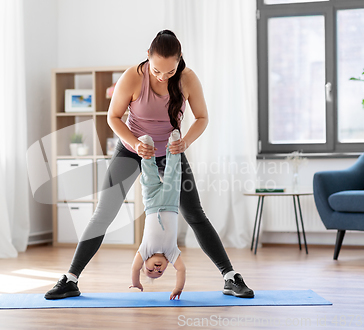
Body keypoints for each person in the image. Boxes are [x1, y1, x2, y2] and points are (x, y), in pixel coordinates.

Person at [45, 29, 254, 300]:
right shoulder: (133, 76)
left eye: (170, 71)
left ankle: (230, 277)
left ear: (179, 60)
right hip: (133, 149)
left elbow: (202, 117)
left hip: (171, 152)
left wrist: (185, 143)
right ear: (147, 57)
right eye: (157, 70)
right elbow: (113, 117)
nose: (162, 76)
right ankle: (70, 279)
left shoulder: (188, 79)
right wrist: (135, 143)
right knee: (104, 214)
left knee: (195, 214)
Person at [129, 131, 185, 300]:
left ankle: (147, 146)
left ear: (145, 262)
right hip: (170, 201)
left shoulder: (145, 250)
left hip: (152, 203)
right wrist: (177, 288)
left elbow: (134, 268)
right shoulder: (172, 252)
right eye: (160, 272)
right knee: (173, 173)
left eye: (150, 270)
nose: (156, 269)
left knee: (148, 175)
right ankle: (174, 144)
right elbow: (181, 269)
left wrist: (136, 282)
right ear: (168, 265)